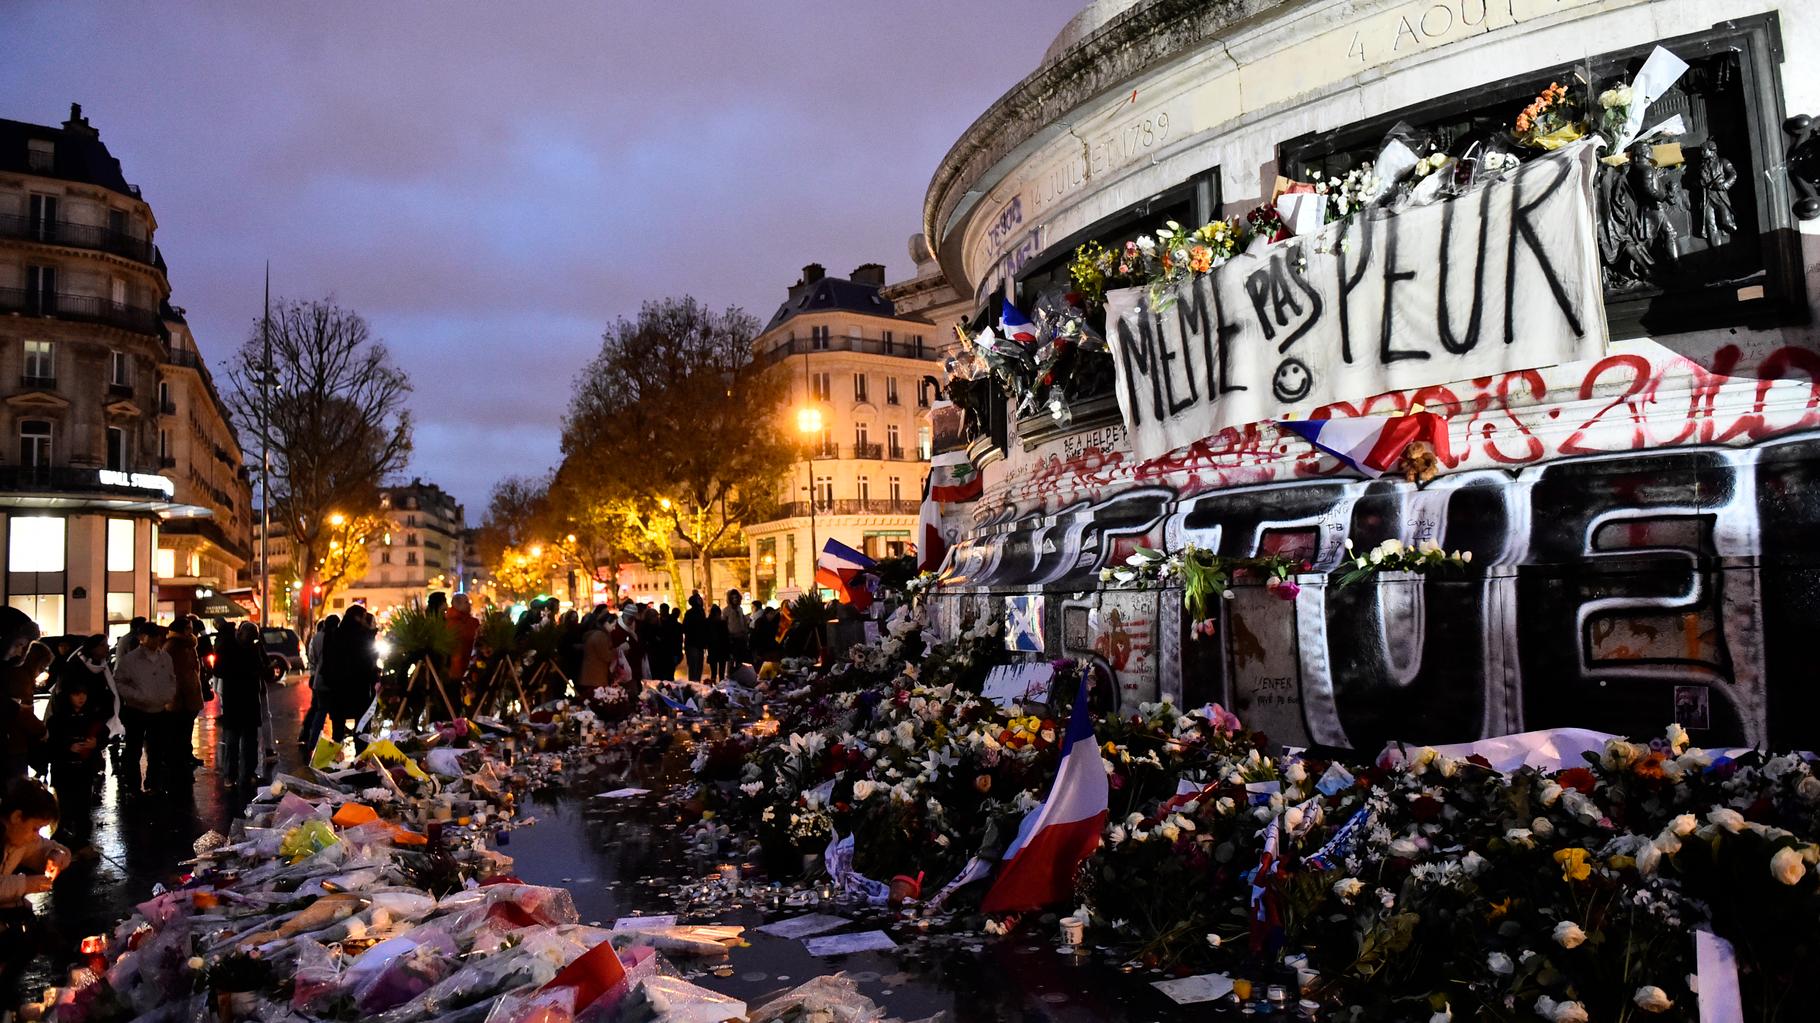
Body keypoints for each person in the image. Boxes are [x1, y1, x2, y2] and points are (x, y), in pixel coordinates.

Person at [43, 672, 107, 847]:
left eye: (83, 694)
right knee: (65, 806)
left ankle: (81, 839)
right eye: (76, 694)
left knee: (83, 805)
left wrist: (95, 743)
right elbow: (51, 744)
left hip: (84, 769)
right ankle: (63, 837)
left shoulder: (91, 716)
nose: (81, 698)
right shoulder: (57, 719)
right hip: (64, 769)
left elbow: (103, 734)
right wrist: (68, 748)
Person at [113, 624, 175, 795]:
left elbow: (171, 679)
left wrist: (168, 694)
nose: (156, 641)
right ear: (142, 637)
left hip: (158, 709)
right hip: (136, 710)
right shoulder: (131, 660)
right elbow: (119, 681)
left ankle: (153, 783)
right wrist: (136, 696)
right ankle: (133, 785)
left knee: (156, 749)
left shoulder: (165, 658)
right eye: (152, 637)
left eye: (157, 637)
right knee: (133, 749)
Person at [215, 623, 265, 789]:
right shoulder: (231, 648)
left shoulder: (250, 648)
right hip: (238, 698)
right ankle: (234, 774)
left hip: (242, 698)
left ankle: (243, 773)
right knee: (235, 740)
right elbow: (219, 670)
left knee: (245, 740)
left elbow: (261, 667)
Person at [327, 606, 378, 739]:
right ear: (357, 617)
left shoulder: (335, 635)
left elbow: (328, 661)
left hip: (338, 689)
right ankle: (360, 757)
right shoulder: (362, 636)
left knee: (337, 731)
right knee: (361, 728)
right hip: (359, 687)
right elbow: (369, 660)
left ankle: (334, 758)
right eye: (363, 616)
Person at [166, 617, 204, 773]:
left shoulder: (190, 644)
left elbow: (194, 668)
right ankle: (177, 758)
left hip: (191, 691)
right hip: (178, 695)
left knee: (187, 728)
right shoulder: (173, 646)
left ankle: (186, 755)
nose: (191, 630)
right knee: (178, 729)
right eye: (188, 627)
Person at [298, 615, 339, 750]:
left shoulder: (317, 638)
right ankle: (334, 745)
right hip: (332, 681)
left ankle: (312, 742)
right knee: (335, 715)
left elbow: (313, 658)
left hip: (319, 680)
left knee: (319, 712)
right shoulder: (336, 637)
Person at [446, 594, 479, 682]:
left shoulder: (471, 621)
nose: (469, 604)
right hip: (458, 666)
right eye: (466, 602)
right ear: (457, 605)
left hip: (467, 664)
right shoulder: (452, 623)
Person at [681, 595, 708, 682]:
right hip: (694, 644)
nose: (701, 601)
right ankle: (694, 685)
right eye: (699, 599)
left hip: (695, 643)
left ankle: (695, 684)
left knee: (696, 667)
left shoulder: (698, 612)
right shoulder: (694, 613)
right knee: (695, 667)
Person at [724, 589, 750, 669]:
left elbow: (743, 622)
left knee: (740, 659)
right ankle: (729, 676)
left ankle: (739, 674)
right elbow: (724, 624)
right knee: (731, 659)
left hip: (741, 637)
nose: (735, 599)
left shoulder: (740, 609)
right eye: (733, 598)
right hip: (732, 637)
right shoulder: (726, 610)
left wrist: (745, 632)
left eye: (736, 597)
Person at [706, 603, 729, 683]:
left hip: (712, 649)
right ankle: (721, 685)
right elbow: (726, 637)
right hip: (722, 649)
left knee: (713, 672)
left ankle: (713, 685)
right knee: (721, 672)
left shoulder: (708, 622)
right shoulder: (722, 623)